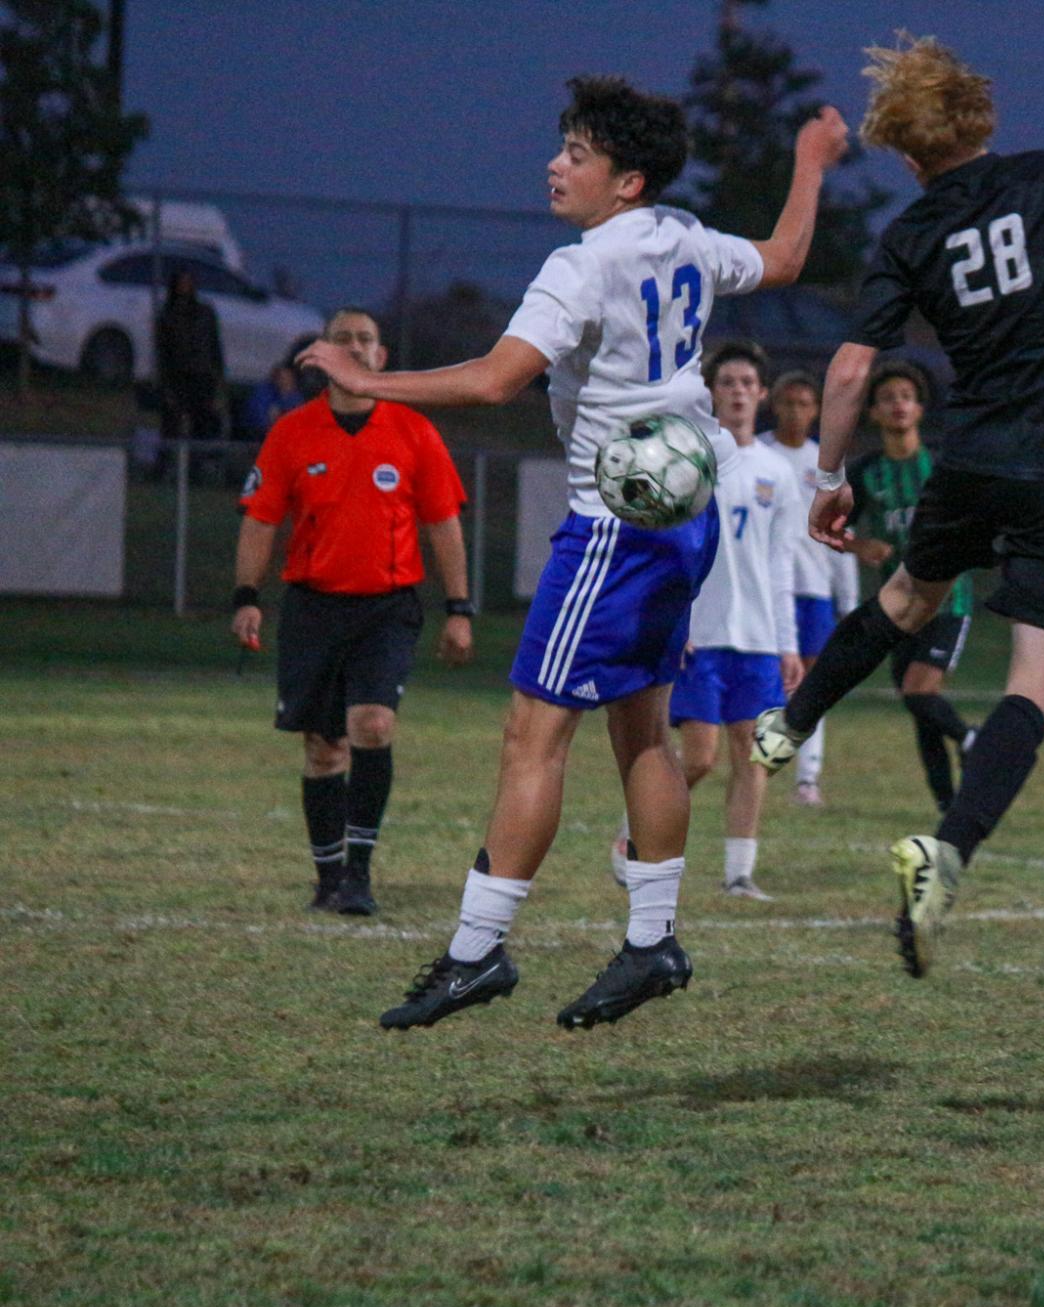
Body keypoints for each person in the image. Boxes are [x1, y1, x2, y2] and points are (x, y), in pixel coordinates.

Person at [296, 76, 847, 1030]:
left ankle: (476, 956)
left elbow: (494, 380)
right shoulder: (687, 238)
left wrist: (366, 379)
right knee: (641, 728)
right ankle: (650, 942)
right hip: (684, 517)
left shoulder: (581, 264)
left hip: (613, 532)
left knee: (532, 734)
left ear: (625, 181)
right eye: (562, 146)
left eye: (578, 154)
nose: (556, 164)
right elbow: (790, 256)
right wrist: (808, 164)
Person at [752, 35, 1044, 979]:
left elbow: (855, 364)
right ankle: (945, 852)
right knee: (1039, 684)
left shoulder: (906, 236)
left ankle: (788, 723)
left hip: (972, 460)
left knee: (906, 597)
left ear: (906, 153)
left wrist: (830, 477)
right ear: (980, 114)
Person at [232, 307, 474, 917]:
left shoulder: (414, 431)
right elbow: (260, 519)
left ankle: (359, 876)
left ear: (382, 357)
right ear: (322, 354)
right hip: (313, 610)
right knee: (323, 749)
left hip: (387, 609)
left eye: (367, 340)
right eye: (344, 339)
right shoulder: (291, 432)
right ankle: (327, 876)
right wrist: (246, 598)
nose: (357, 348)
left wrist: (458, 608)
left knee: (373, 726)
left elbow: (443, 523)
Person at [663, 340, 803, 901]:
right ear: (712, 393)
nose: (739, 392)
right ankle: (633, 836)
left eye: (748, 383)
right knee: (699, 758)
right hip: (702, 636)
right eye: (728, 383)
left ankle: (738, 875)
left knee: (756, 756)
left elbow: (780, 564)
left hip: (758, 638)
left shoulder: (778, 472)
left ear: (762, 394)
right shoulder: (691, 461)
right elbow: (671, 553)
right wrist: (676, 625)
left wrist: (787, 642)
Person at [846, 361, 976, 814]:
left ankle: (973, 740)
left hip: (947, 601)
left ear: (919, 409)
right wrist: (860, 545)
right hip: (898, 609)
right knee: (921, 713)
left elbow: (974, 520)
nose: (898, 404)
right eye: (888, 398)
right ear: (874, 414)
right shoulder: (866, 473)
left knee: (919, 691)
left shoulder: (941, 467)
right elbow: (829, 528)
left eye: (906, 396)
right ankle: (949, 807)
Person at [763, 368, 859, 807]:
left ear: (816, 410)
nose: (796, 412)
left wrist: (849, 600)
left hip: (815, 590)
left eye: (804, 404)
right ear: (774, 405)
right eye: (789, 403)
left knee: (814, 683)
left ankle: (808, 777)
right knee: (767, 679)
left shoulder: (826, 462)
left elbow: (842, 532)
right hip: (763, 590)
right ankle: (757, 760)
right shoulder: (758, 453)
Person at [156, 269, 224, 442]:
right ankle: (167, 465)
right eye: (181, 283)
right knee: (171, 427)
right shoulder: (167, 315)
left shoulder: (205, 313)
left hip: (202, 376)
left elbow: (214, 346)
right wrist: (165, 384)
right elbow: (163, 351)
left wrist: (218, 378)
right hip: (177, 377)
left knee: (202, 425)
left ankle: (199, 464)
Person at [241, 362, 305, 440]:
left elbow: (298, 420)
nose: (284, 381)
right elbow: (260, 419)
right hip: (256, 435)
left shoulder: (295, 396)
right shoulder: (264, 391)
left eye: (288, 378)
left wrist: (286, 397)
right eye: (281, 377)